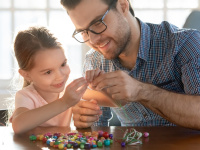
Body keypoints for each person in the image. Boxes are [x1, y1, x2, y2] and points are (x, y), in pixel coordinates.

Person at [60, 0, 200, 129]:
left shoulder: (185, 44)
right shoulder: (94, 60)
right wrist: (85, 120)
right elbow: (97, 131)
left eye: (98, 23)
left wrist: (141, 91)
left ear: (122, 6)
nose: (93, 40)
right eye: (83, 32)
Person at [9, 26, 88, 134]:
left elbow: (106, 98)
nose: (60, 76)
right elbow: (18, 125)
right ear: (27, 75)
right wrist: (64, 102)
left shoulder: (69, 91)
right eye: (48, 72)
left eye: (63, 64)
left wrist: (98, 81)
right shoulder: (26, 96)